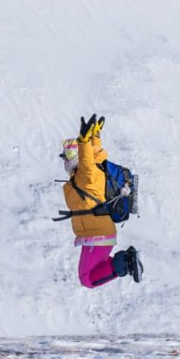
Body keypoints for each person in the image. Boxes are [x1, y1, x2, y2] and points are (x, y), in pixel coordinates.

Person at [59, 114, 143, 287]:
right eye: (64, 154)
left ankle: (127, 262)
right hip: (95, 233)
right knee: (88, 278)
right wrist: (95, 137)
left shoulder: (86, 174)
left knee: (87, 278)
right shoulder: (88, 174)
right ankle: (126, 262)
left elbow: (87, 161)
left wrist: (83, 141)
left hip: (97, 234)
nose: (65, 158)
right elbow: (96, 156)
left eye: (69, 153)